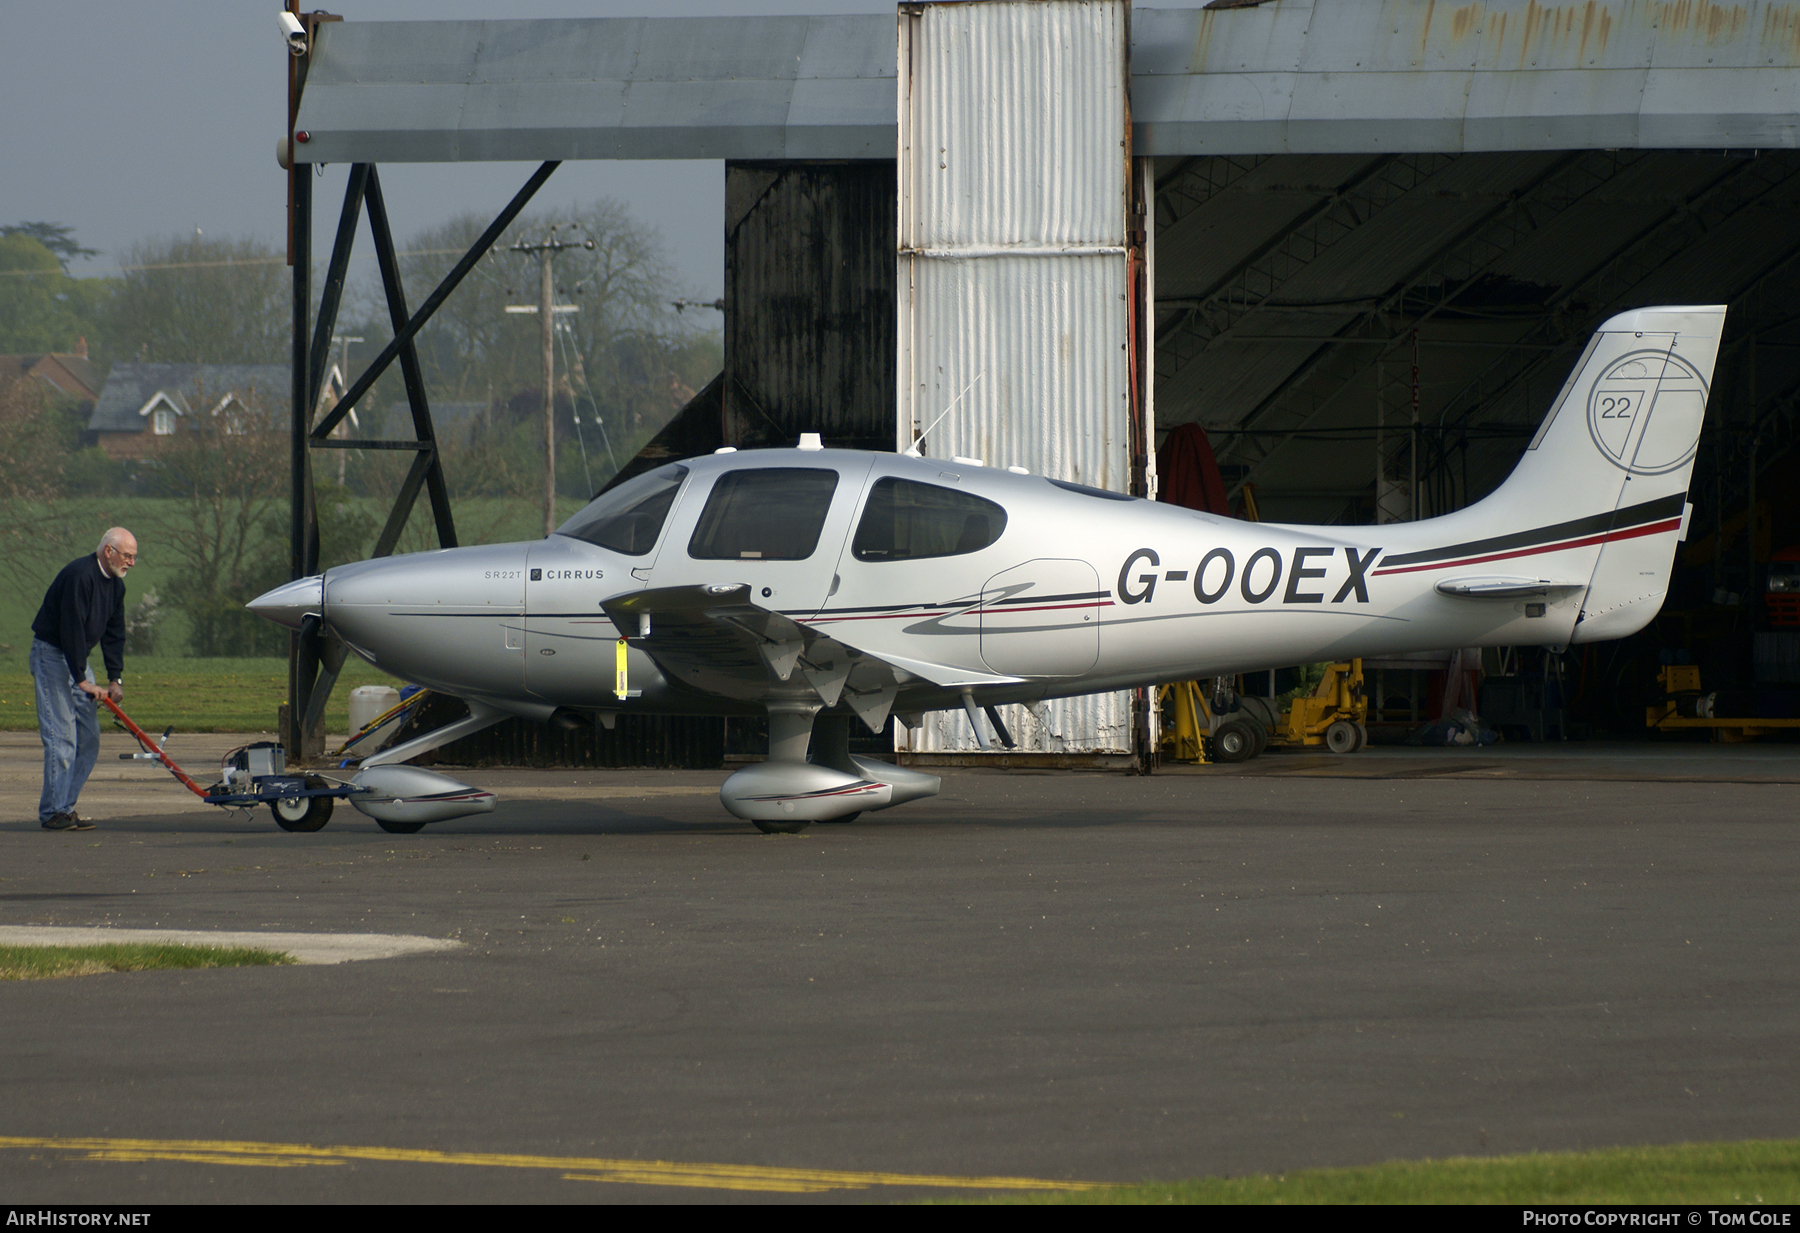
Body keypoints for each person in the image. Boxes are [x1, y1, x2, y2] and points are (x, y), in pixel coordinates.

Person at [31, 527, 137, 832]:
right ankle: (53, 812)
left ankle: (65, 806)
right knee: (61, 738)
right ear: (108, 551)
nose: (131, 562)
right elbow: (72, 629)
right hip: (52, 655)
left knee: (88, 739)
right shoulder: (81, 576)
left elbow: (114, 634)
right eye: (127, 556)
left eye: (133, 557)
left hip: (77, 659)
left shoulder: (116, 586)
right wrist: (82, 680)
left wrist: (114, 679)